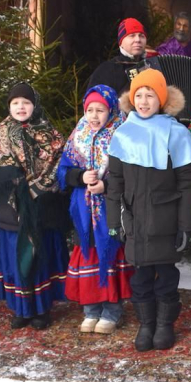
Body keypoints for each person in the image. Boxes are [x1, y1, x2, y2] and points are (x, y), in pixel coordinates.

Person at [106, 69, 191, 352]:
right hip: (134, 218)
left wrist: (186, 225)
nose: (144, 101)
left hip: (166, 218)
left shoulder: (177, 133)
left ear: (161, 99)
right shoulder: (123, 134)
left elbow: (188, 183)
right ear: (131, 99)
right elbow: (115, 182)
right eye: (139, 95)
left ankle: (164, 324)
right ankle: (146, 323)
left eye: (150, 95)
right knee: (140, 277)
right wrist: (114, 221)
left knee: (166, 275)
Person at [0, 83, 68, 330]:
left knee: (40, 257)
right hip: (12, 211)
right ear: (9, 106)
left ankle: (41, 309)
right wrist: (15, 182)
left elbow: (61, 162)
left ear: (34, 105)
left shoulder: (50, 133)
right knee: (17, 259)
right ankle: (21, 309)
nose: (21, 107)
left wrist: (39, 186)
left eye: (26, 102)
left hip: (43, 206)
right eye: (15, 103)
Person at [58, 86, 134, 335]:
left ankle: (112, 312)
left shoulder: (121, 133)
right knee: (87, 254)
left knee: (110, 254)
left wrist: (106, 185)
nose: (94, 115)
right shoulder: (79, 134)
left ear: (111, 110)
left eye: (100, 110)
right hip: (83, 210)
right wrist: (80, 177)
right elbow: (63, 170)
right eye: (90, 110)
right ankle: (91, 310)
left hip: (110, 209)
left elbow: (130, 173)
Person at [87, 18, 148, 95]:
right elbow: (93, 99)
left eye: (141, 36)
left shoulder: (152, 66)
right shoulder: (106, 70)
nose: (138, 39)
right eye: (132, 36)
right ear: (121, 42)